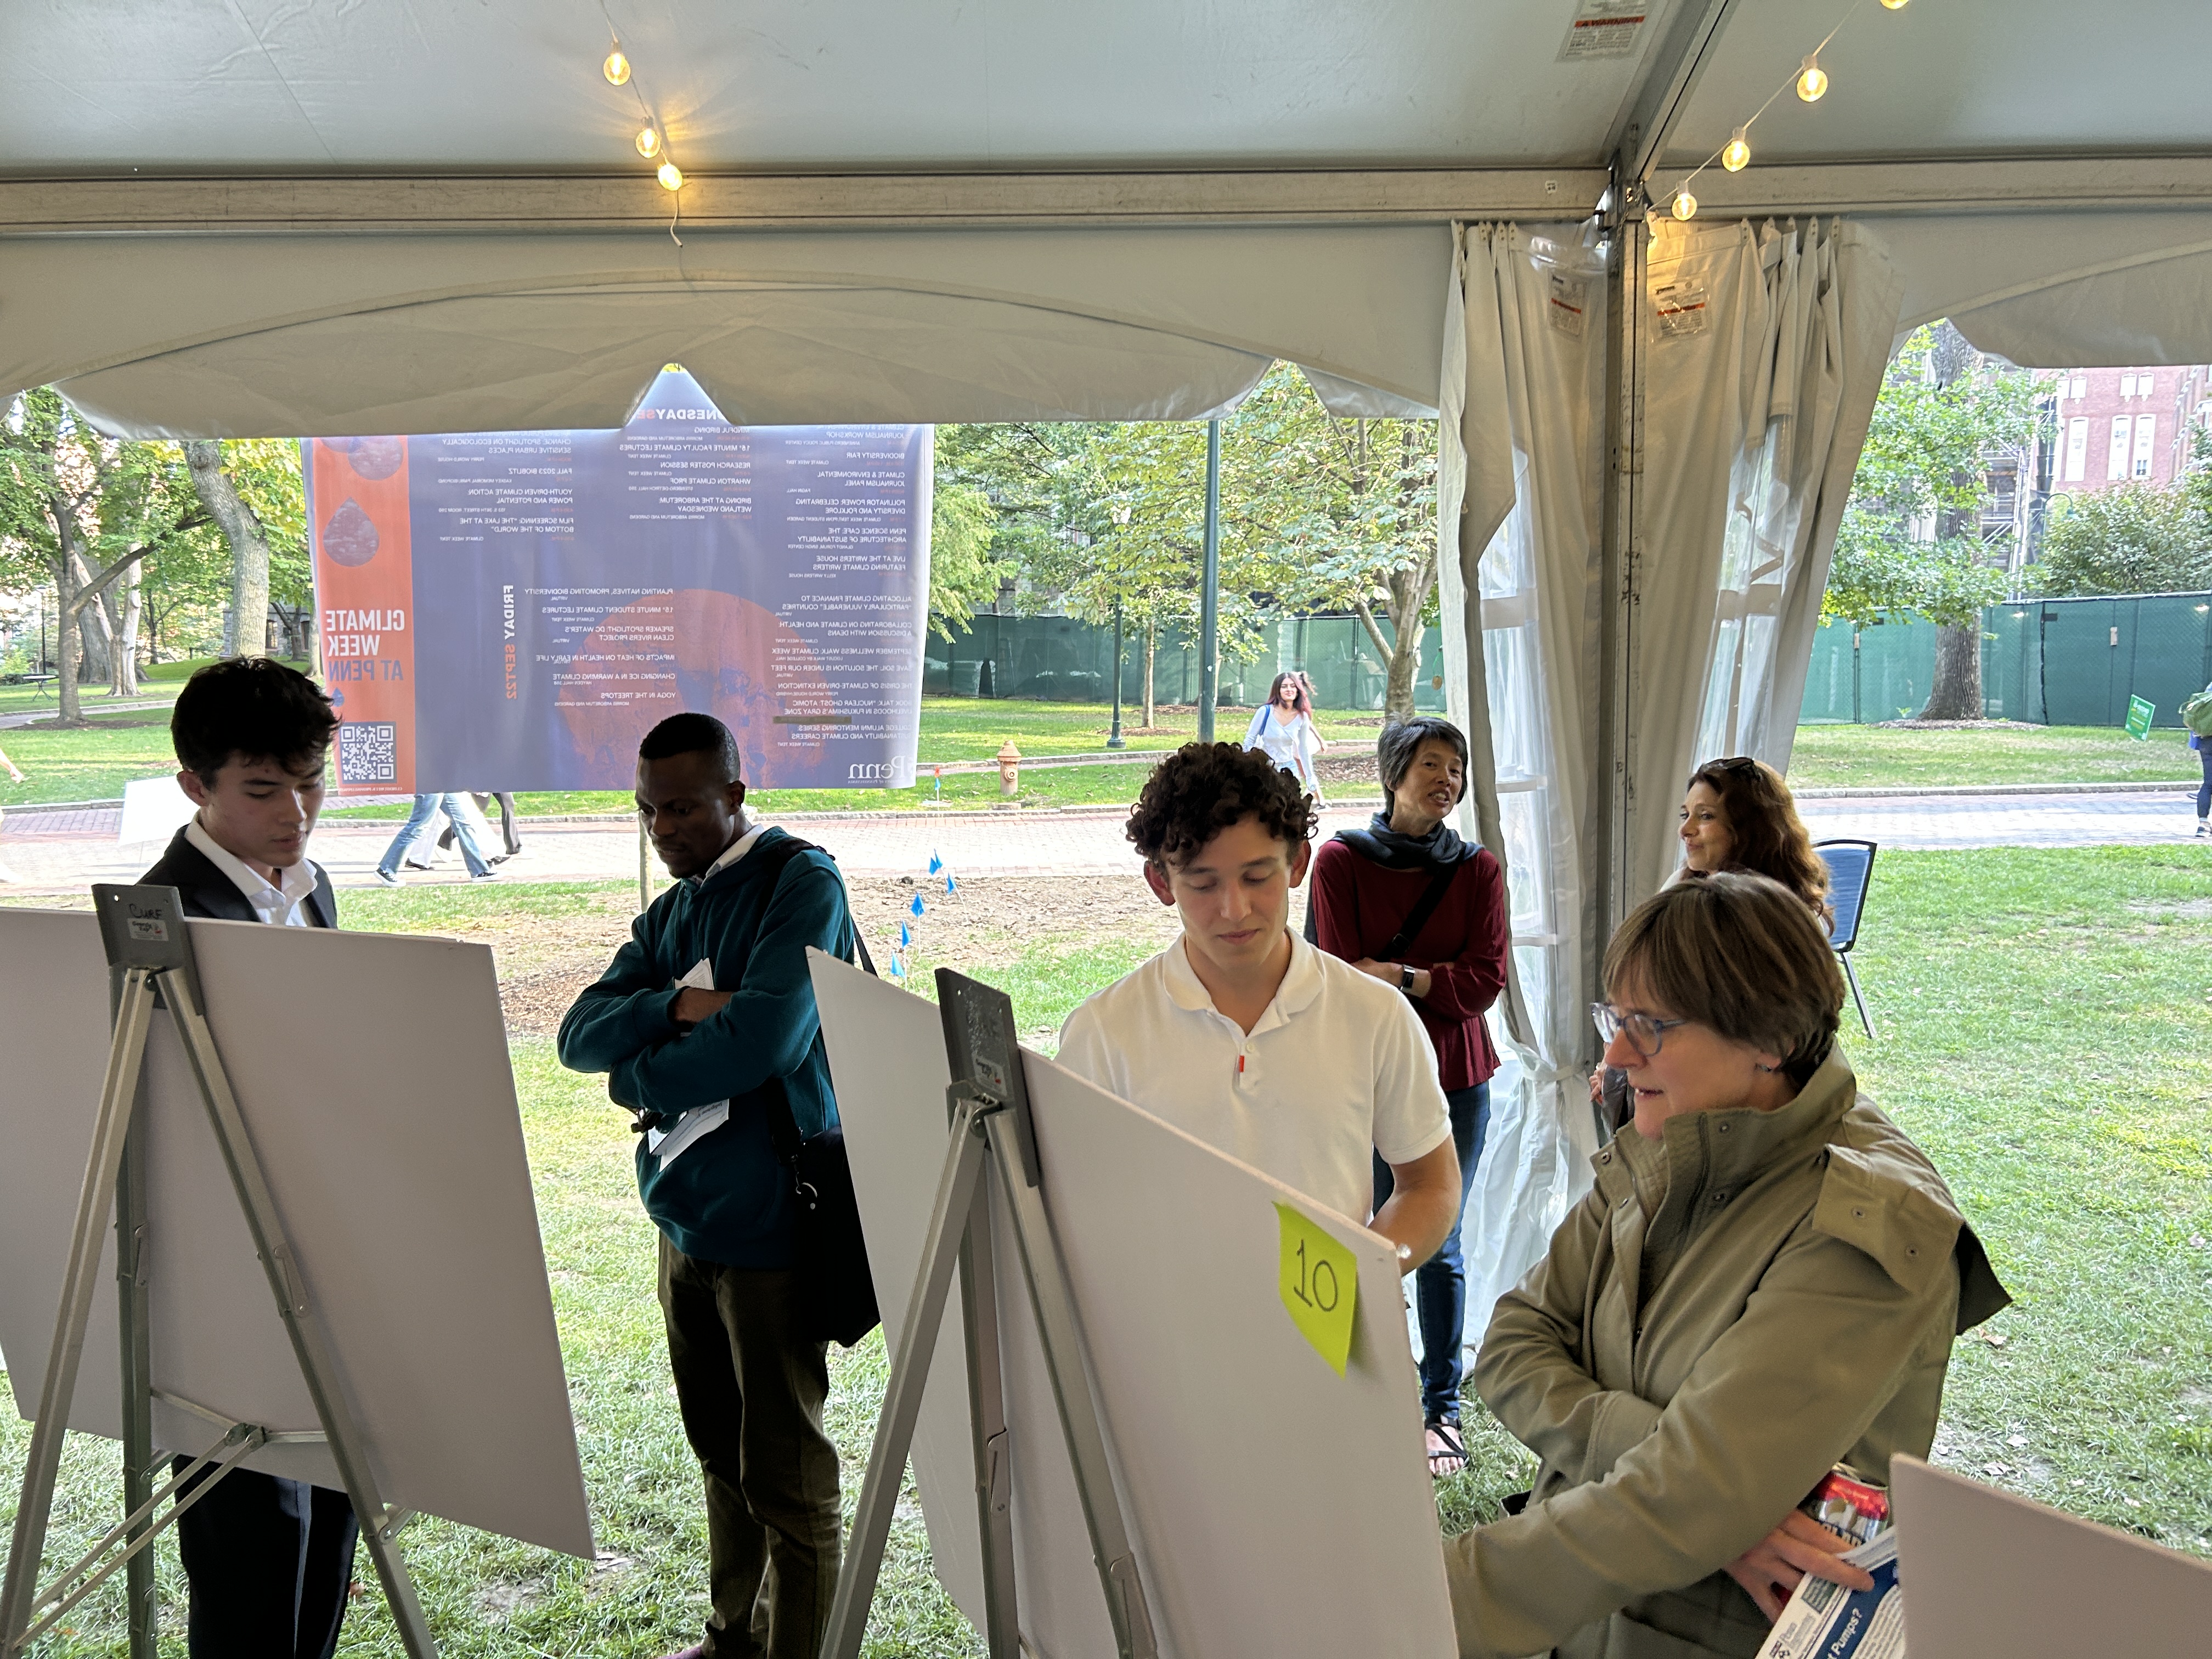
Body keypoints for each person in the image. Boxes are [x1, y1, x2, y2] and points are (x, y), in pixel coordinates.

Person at [1440, 872, 2010, 1659]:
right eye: (1618, 1015)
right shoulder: (1670, 1137)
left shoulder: (1866, 1226)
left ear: (1771, 1040)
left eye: (1651, 1025)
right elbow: (1512, 1343)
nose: (1615, 1050)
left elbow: (1680, 1497)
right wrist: (1720, 1513)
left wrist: (1431, 1606)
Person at [556, 712, 854, 1659]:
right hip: (682, 1222)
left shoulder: (798, 880)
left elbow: (768, 1038)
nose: (663, 827)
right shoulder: (677, 908)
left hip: (773, 1226)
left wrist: (638, 1074)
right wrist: (678, 1005)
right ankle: (733, 1636)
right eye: (648, 809)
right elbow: (578, 1033)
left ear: (735, 790)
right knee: (718, 1455)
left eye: (683, 805)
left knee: (787, 1476)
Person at [137, 657, 358, 1659]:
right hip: (219, 1289)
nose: (297, 812)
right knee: (247, 1545)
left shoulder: (312, 891)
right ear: (196, 785)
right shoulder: (156, 920)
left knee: (334, 1513)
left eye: (311, 780)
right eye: (264, 790)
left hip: (321, 1260)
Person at [1057, 741, 1460, 1273]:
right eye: (1203, 883)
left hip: (1328, 1345)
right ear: (1162, 883)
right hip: (1165, 1344)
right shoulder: (1104, 1033)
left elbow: (1430, 1183)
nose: (1235, 909)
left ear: (1297, 865)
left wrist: (1362, 1278)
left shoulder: (1375, 1016)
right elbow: (1072, 1207)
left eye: (1257, 877)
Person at [1307, 716, 1508, 1479]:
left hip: (1456, 1076)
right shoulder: (1338, 863)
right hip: (1365, 1076)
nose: (1446, 779)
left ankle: (1441, 1410)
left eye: (1456, 767)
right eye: (1431, 764)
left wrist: (1401, 977)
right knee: (1359, 1231)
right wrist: (1428, 980)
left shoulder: (1478, 870)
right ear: (1394, 772)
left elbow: (1485, 980)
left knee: (1439, 1244)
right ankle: (1357, 1395)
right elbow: (1335, 975)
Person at [1596, 755, 1832, 1127]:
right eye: (1684, 815)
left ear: (1751, 828)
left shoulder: (1786, 928)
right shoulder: (1680, 888)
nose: (1686, 830)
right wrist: (1618, 1067)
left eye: (1705, 816)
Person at [373, 790, 499, 884]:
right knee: (418, 826)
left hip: (444, 782)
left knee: (463, 823)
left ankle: (479, 871)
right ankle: (386, 869)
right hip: (430, 782)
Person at [1241, 670, 1326, 798]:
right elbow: (1249, 741)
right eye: (1284, 686)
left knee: (1290, 805)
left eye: (1293, 686)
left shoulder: (1302, 717)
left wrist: (1310, 778)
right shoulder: (1265, 712)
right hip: (1267, 767)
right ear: (1278, 690)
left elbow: (1303, 749)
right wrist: (1247, 766)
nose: (1289, 690)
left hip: (1289, 767)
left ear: (1298, 690)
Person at [437, 789, 523, 861]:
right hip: (482, 780)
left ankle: (513, 847)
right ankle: (445, 840)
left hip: (498, 776)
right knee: (473, 816)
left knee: (509, 804)